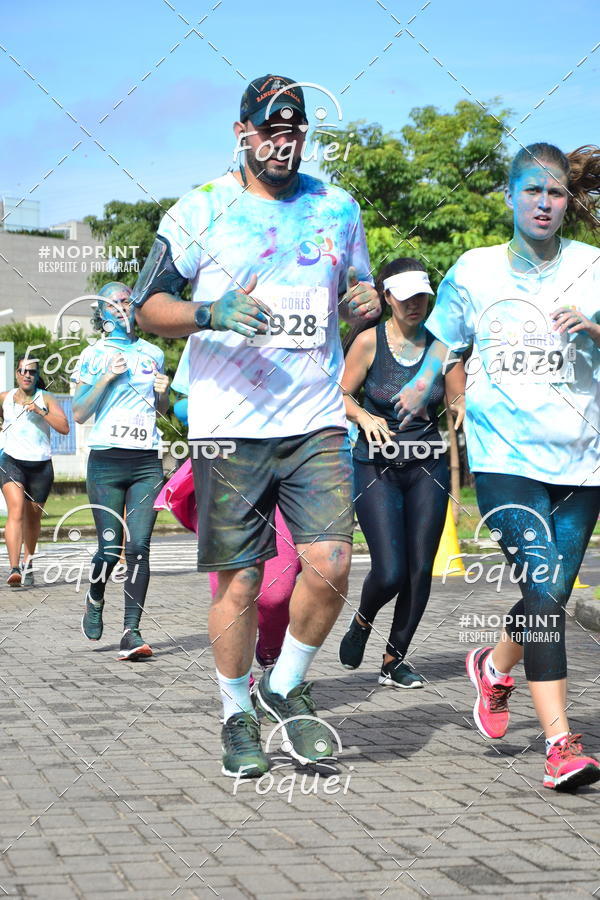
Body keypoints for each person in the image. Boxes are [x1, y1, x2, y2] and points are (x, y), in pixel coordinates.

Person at [133, 74, 380, 777]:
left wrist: (363, 301)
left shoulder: (338, 207)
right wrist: (210, 314)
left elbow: (356, 292)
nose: (283, 139)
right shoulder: (201, 209)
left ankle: (285, 684)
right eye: (270, 127)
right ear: (242, 132)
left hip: (314, 417)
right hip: (228, 425)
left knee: (331, 564)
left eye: (294, 128)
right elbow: (145, 306)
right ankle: (235, 714)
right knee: (240, 583)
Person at [394, 142, 600, 791]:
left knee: (551, 597)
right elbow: (444, 345)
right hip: (504, 455)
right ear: (509, 197)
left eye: (556, 192)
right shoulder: (475, 271)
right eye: (531, 191)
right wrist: (425, 388)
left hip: (583, 456)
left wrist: (594, 330)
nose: (544, 202)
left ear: (570, 200)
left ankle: (494, 665)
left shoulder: (593, 267)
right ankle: (560, 742)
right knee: (542, 587)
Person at [339, 257, 465, 686]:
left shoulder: (441, 346)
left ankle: (395, 659)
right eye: (406, 296)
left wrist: (464, 405)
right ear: (388, 296)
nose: (416, 304)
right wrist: (363, 417)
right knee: (390, 569)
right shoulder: (369, 342)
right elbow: (339, 395)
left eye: (422, 296)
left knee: (419, 568)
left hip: (427, 465)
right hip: (376, 465)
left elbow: (457, 398)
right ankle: (362, 620)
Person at [155, 348, 301, 668]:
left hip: (283, 466)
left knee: (278, 592)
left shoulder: (294, 335)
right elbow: (181, 405)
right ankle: (238, 686)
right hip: (222, 470)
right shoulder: (206, 338)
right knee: (232, 587)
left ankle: (271, 651)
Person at [72, 282, 169, 661]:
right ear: (104, 313)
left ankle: (132, 629)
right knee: (110, 548)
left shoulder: (153, 353)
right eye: (118, 302)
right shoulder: (92, 355)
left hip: (146, 460)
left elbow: (159, 411)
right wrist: (106, 378)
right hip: (106, 462)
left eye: (129, 300)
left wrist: (162, 392)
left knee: (140, 548)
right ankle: (95, 597)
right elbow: (79, 412)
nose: (126, 306)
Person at [0, 357, 69, 586]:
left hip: (40, 465)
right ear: (16, 374)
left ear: (37, 375)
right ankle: (14, 567)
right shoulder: (5, 398)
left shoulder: (46, 398)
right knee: (16, 510)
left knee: (33, 518)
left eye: (31, 371)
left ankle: (29, 564)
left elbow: (64, 427)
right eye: (23, 371)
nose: (27, 375)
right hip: (10, 461)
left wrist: (41, 412)